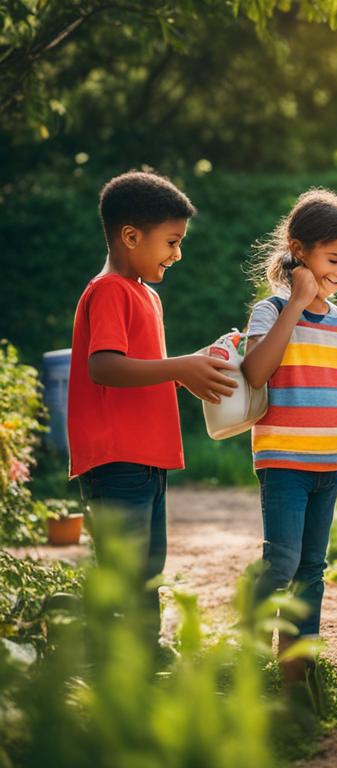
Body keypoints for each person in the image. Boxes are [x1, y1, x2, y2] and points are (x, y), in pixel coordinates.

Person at [69, 170, 238, 640]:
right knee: (124, 579)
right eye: (171, 242)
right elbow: (103, 367)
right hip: (116, 459)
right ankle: (115, 674)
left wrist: (191, 370)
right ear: (130, 236)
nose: (177, 254)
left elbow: (142, 369)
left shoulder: (146, 295)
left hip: (146, 460)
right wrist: (178, 367)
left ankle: (144, 665)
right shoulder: (109, 291)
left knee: (147, 572)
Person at [241, 188, 337, 677]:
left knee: (311, 570)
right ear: (299, 250)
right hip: (282, 464)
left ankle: (298, 664)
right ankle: (250, 648)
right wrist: (296, 302)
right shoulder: (271, 312)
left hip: (326, 467)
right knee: (281, 562)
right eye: (332, 258)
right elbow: (256, 373)